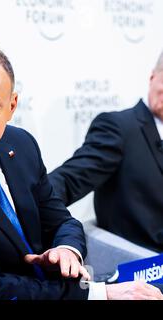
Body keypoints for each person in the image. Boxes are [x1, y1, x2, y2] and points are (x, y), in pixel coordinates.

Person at [0, 43, 163, 300]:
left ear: (11, 106)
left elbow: (61, 220)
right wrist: (98, 294)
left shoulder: (20, 143)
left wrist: (66, 250)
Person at [49, 51, 163, 252]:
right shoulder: (118, 127)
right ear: (153, 76)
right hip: (136, 266)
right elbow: (69, 180)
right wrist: (25, 205)